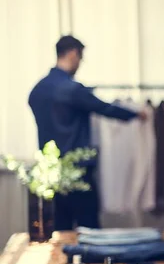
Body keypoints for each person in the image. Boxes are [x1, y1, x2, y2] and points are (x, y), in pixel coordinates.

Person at [28, 35, 146, 231]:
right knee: (89, 228)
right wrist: (135, 114)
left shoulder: (37, 90)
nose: (80, 63)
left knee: (60, 229)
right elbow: (104, 108)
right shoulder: (72, 89)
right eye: (80, 58)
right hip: (78, 169)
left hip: (51, 171)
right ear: (73, 54)